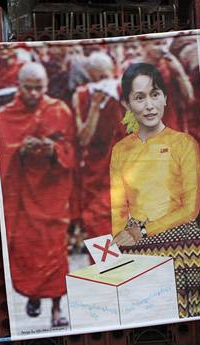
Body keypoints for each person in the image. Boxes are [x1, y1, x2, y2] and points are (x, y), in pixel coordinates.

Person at [110, 62, 200, 318]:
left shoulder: (184, 144)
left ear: (165, 97)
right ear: (127, 105)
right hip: (134, 243)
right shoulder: (121, 150)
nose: (149, 105)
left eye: (155, 94)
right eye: (139, 98)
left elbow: (190, 209)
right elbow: (117, 206)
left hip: (180, 243)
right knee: (139, 315)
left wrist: (143, 231)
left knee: (183, 314)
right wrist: (118, 238)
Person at [0, 62, 76, 327]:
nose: (33, 94)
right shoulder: (4, 117)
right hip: (21, 199)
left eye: (38, 88)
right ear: (19, 86)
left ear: (46, 86)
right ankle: (33, 293)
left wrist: (52, 149)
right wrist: (21, 149)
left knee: (55, 253)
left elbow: (73, 151)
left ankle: (56, 309)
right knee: (27, 252)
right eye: (28, 88)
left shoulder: (59, 111)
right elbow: (0, 158)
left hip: (51, 197)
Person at [72, 52, 125, 238]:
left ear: (112, 72)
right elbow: (83, 139)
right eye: (97, 77)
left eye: (105, 77)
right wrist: (94, 107)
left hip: (123, 169)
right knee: (96, 221)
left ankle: (130, 266)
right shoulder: (82, 95)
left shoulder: (124, 90)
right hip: (95, 171)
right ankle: (104, 267)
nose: (102, 82)